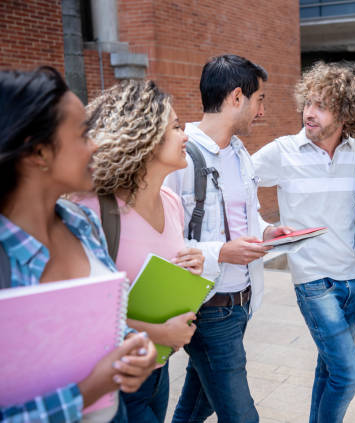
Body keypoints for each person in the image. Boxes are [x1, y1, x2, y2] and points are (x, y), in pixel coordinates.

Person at [0, 67, 157, 423]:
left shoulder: (81, 222)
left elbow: (102, 324)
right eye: (84, 133)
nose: (97, 144)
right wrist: (88, 391)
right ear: (39, 152)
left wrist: (136, 346)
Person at [252, 61, 355, 423]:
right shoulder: (282, 151)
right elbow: (235, 187)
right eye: (308, 102)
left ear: (345, 113)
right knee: (349, 375)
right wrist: (263, 226)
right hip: (313, 280)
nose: (308, 112)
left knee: (329, 370)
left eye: (321, 106)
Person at [164, 54, 290, 423]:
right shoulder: (179, 155)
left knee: (196, 403)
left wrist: (268, 230)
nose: (262, 111)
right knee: (241, 415)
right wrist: (222, 252)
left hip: (242, 301)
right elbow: (163, 240)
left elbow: (245, 215)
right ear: (237, 97)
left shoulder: (239, 153)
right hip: (208, 305)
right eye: (260, 99)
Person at [76, 79, 205, 422]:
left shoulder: (173, 203)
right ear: (145, 138)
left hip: (157, 370)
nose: (186, 136)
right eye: (176, 127)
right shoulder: (91, 210)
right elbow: (81, 316)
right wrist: (162, 333)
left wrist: (194, 264)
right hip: (112, 376)